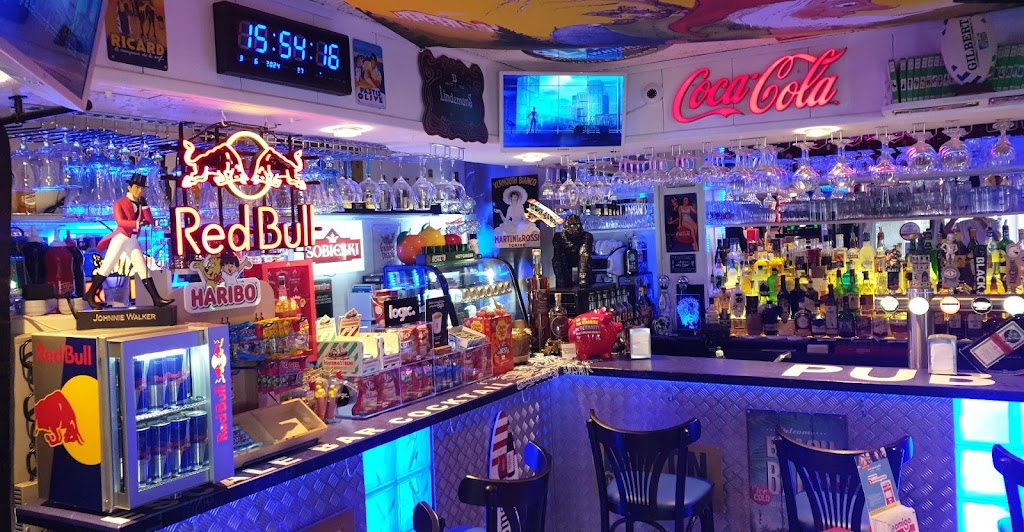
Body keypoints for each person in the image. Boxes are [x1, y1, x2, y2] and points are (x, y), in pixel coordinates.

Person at [84, 173, 174, 308]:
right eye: (137, 187)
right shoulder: (119, 203)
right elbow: (121, 222)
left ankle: (156, 299)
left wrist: (145, 207)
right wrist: (137, 223)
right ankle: (90, 294)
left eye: (142, 188)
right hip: (121, 238)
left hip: (132, 239)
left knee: (143, 269)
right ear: (130, 187)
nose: (139, 191)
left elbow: (150, 221)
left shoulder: (140, 204)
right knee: (107, 267)